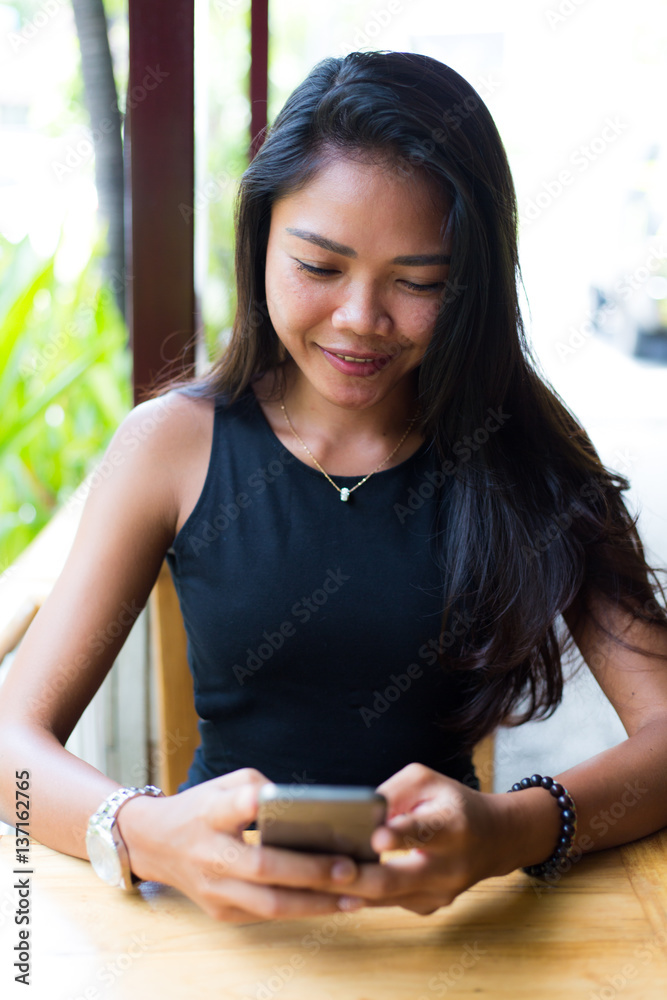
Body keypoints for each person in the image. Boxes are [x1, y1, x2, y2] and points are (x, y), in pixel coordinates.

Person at [1, 49, 667, 923]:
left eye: (417, 283)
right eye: (319, 268)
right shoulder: (170, 445)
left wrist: (506, 832)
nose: (361, 320)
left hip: (456, 922)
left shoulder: (522, 449)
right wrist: (147, 831)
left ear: (470, 283)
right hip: (212, 915)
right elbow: (11, 740)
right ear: (259, 242)